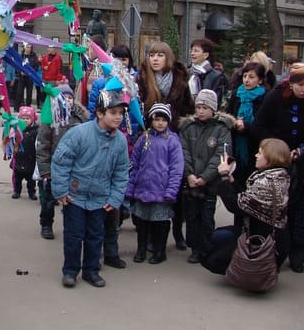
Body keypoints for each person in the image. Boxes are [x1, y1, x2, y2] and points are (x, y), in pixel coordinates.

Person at [248, 63, 304, 272]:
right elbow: (259, 127)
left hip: (303, 163)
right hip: (277, 162)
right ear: (290, 84)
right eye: (300, 85)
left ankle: (299, 252)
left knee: (302, 207)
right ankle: (277, 250)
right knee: (279, 209)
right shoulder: (275, 98)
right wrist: (277, 149)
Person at [53, 86, 132, 289]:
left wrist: (115, 199)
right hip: (75, 196)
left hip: (100, 198)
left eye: (121, 114)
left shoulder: (120, 141)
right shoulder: (79, 133)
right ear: (99, 113)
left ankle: (91, 271)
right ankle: (70, 271)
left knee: (95, 236)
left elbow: (122, 172)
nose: (118, 118)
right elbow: (61, 162)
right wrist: (61, 191)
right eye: (113, 113)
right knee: (73, 235)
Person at [203, 139, 291, 275]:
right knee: (219, 236)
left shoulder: (267, 182)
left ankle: (253, 271)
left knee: (212, 258)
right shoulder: (278, 175)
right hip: (269, 235)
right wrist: (232, 182)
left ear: (270, 158)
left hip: (263, 241)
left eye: (260, 153)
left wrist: (225, 176)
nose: (256, 155)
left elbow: (236, 206)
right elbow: (248, 200)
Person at [175, 90, 231, 263]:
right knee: (192, 216)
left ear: (213, 109)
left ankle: (207, 247)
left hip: (210, 183)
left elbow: (221, 154)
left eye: (205, 107)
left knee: (207, 216)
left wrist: (206, 176)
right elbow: (183, 151)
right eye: (198, 107)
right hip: (191, 181)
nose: (201, 111)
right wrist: (189, 174)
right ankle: (194, 248)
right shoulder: (188, 128)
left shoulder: (221, 129)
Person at [127, 103, 184, 265]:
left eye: (164, 120)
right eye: (157, 119)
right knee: (142, 222)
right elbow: (135, 164)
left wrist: (171, 190)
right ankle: (141, 249)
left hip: (162, 190)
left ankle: (160, 251)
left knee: (160, 223)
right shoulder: (143, 138)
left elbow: (176, 168)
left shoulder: (172, 141)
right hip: (143, 189)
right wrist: (131, 187)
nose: (160, 123)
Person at [37, 81, 90, 240]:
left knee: (72, 199)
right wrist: (45, 169)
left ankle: (72, 226)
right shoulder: (50, 119)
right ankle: (46, 224)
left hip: (76, 167)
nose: (67, 100)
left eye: (70, 97)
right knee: (49, 198)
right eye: (63, 97)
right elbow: (43, 146)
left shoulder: (81, 116)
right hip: (55, 166)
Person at [223, 62, 271, 188]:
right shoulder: (237, 94)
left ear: (260, 80)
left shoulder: (266, 97)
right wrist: (234, 123)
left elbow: (265, 124)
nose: (247, 80)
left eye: (251, 77)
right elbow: (228, 114)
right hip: (237, 144)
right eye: (245, 76)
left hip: (255, 146)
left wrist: (247, 127)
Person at [12, 106, 39, 200]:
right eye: (23, 118)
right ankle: (16, 191)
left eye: (27, 118)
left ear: (32, 119)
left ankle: (31, 193)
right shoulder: (17, 129)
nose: (25, 120)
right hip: (19, 158)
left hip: (31, 158)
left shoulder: (36, 130)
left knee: (31, 180)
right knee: (17, 178)